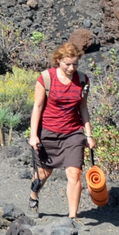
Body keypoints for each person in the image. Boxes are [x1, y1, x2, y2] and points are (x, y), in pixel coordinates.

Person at [28, 41, 95, 220]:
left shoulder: (82, 80)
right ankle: (33, 196)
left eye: (75, 64)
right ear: (58, 60)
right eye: (67, 64)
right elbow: (38, 106)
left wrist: (89, 134)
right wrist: (33, 135)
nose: (71, 68)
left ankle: (72, 218)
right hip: (48, 132)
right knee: (43, 173)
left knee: (74, 173)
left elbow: (83, 109)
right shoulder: (46, 78)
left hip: (73, 134)